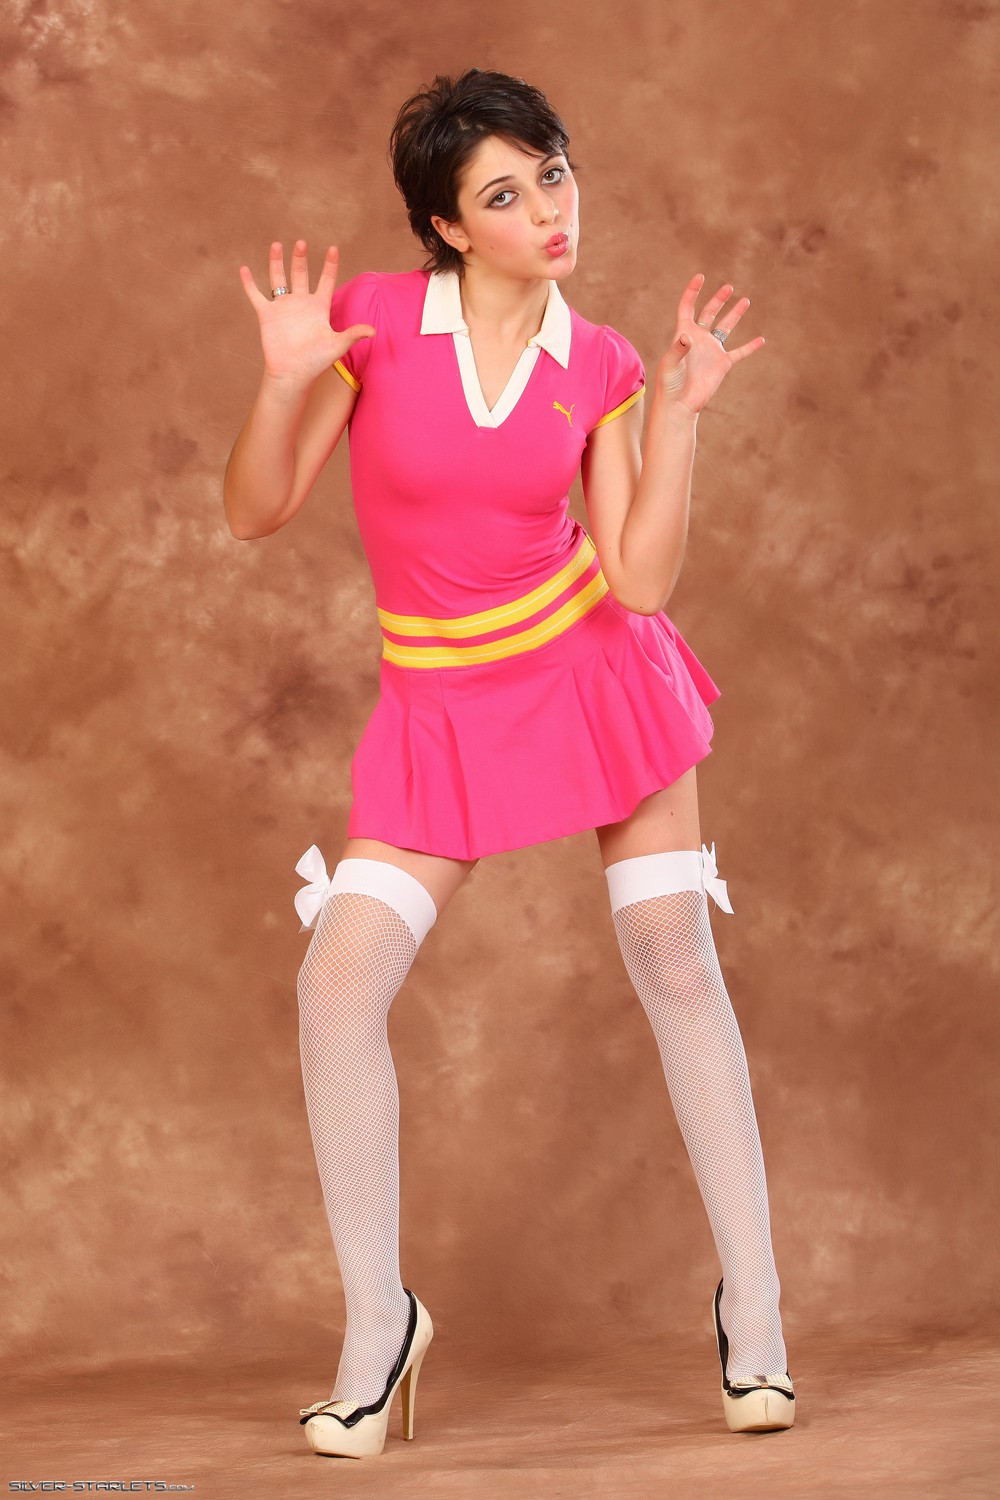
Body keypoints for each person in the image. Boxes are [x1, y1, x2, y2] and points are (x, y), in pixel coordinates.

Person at [224, 66, 794, 1460]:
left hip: (594, 673)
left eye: (554, 173)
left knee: (673, 955)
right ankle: (381, 1326)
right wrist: (283, 379)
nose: (549, 208)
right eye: (505, 193)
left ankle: (758, 1316)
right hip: (441, 706)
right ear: (444, 225)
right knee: (337, 986)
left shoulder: (600, 362)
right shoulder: (369, 324)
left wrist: (683, 412)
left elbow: (640, 582)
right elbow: (255, 509)